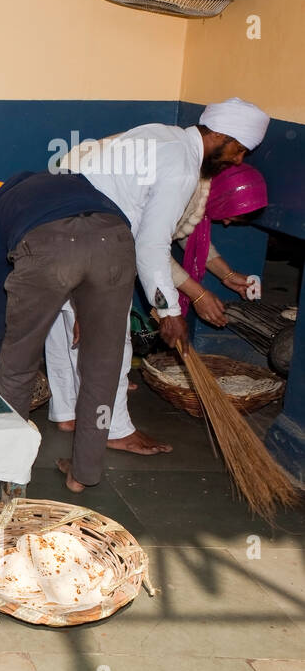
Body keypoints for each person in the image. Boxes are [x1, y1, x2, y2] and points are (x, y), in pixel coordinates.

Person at [45, 97, 271, 455]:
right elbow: (151, 246)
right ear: (220, 134)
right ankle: (114, 430)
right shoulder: (182, 167)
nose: (238, 160)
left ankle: (67, 412)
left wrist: (222, 276)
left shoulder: (161, 135)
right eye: (239, 149)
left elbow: (161, 233)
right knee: (111, 345)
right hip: (92, 240)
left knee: (63, 329)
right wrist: (171, 313)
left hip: (55, 228)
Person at [0, 172, 134, 492]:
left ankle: (10, 474)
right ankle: (83, 475)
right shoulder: (57, 183)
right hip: (116, 241)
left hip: (49, 248)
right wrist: (89, 307)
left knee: (16, 371)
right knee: (103, 369)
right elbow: (103, 229)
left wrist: (8, 354)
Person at [170, 163, 267, 324]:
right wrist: (199, 295)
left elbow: (189, 236)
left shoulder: (200, 194)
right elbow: (152, 251)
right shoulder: (183, 196)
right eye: (230, 217)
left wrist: (228, 275)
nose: (226, 223)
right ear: (223, 198)